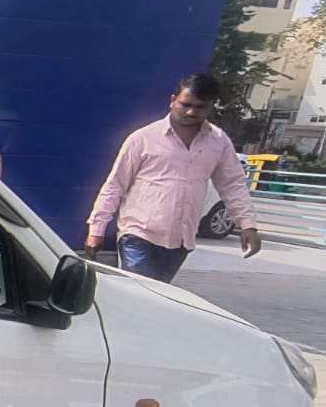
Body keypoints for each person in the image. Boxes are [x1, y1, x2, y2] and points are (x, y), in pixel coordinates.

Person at [86, 73, 260, 283]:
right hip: (138, 234)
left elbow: (233, 185)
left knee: (159, 297)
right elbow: (115, 185)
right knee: (143, 292)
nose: (191, 111)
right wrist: (96, 229)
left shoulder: (218, 142)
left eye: (200, 107)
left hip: (180, 241)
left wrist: (248, 225)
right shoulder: (143, 138)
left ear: (210, 106)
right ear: (172, 100)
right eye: (185, 104)